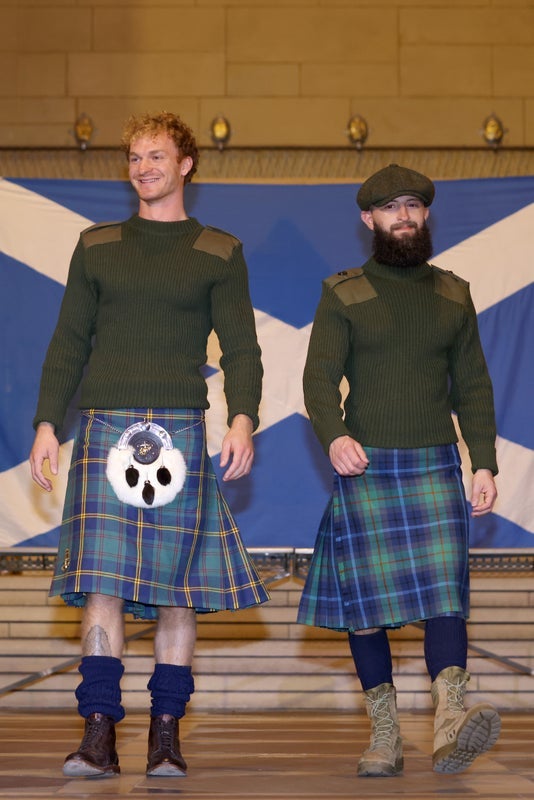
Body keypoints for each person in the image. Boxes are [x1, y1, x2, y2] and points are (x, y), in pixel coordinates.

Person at [29, 111, 269, 779]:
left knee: (176, 590)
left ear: (185, 164)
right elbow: (69, 341)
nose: (143, 167)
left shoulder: (219, 249)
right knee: (101, 584)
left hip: (181, 429)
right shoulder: (96, 244)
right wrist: (48, 422)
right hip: (104, 423)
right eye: (134, 157)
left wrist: (244, 417)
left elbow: (242, 347)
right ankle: (99, 733)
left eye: (156, 156)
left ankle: (166, 736)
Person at [298, 164, 501, 777]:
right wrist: (333, 437)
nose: (404, 217)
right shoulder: (344, 291)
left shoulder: (453, 293)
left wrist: (484, 461)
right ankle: (385, 734)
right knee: (365, 607)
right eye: (391, 208)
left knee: (447, 599)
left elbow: (473, 385)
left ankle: (449, 721)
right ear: (369, 220)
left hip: (436, 462)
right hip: (368, 469)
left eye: (413, 206)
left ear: (426, 215)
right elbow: (317, 378)